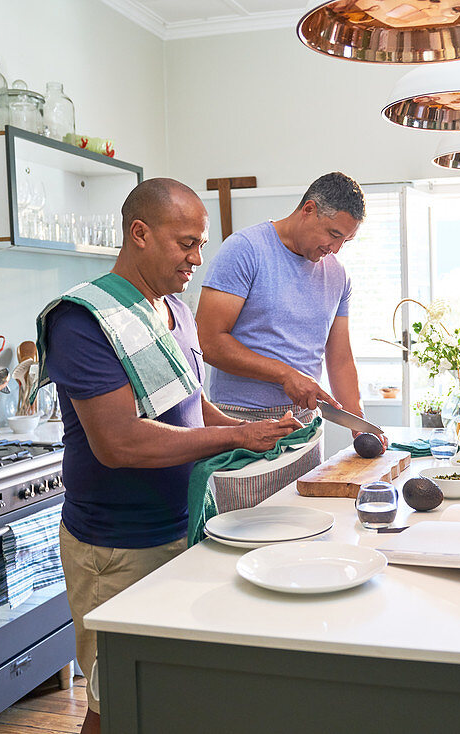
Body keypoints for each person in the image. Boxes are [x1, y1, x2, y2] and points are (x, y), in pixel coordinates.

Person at [38, 178, 301, 734]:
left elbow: (192, 407)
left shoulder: (174, 311)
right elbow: (120, 443)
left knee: (167, 694)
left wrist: (255, 430)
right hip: (117, 544)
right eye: (187, 242)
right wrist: (234, 440)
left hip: (184, 528)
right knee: (114, 704)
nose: (197, 258)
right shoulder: (84, 320)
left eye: (201, 244)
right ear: (140, 233)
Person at [196, 171, 384, 512]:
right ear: (308, 209)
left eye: (346, 241)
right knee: (247, 542)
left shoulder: (337, 274)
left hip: (306, 430)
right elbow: (207, 341)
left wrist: (359, 422)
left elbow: (339, 358)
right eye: (333, 234)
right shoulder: (245, 250)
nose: (335, 249)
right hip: (242, 426)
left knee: (305, 535)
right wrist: (285, 375)